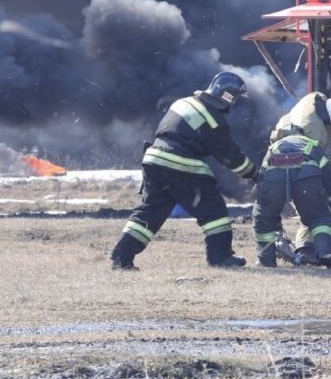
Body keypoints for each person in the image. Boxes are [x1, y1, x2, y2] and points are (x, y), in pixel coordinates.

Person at [110, 72, 259, 270]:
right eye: (235, 97)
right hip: (179, 163)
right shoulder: (214, 119)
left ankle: (121, 258)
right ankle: (220, 258)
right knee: (213, 210)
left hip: (154, 159)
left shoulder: (184, 102)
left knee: (150, 212)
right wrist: (254, 174)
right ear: (227, 96)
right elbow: (230, 156)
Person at [252, 93, 331, 267]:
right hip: (305, 175)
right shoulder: (315, 138)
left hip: (274, 170)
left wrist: (264, 202)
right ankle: (324, 253)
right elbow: (330, 184)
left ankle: (266, 261)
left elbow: (262, 176)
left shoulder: (314, 101)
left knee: (264, 217)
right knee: (318, 216)